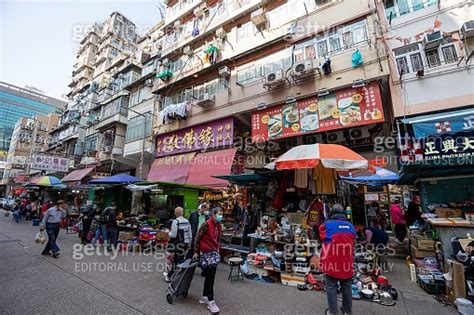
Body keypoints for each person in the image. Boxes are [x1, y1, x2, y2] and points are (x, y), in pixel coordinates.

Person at [319, 204, 356, 315]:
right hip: (347, 262)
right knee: (347, 287)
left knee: (331, 286)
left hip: (332, 262)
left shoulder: (326, 225)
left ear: (331, 212)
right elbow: (353, 238)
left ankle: (333, 312)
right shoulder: (350, 226)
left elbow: (321, 236)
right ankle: (347, 311)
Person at [193, 207, 223, 314]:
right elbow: (197, 238)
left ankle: (205, 297)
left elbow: (218, 239)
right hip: (206, 253)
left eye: (221, 214)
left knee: (210, 276)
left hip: (214, 253)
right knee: (210, 277)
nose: (221, 216)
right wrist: (196, 252)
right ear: (213, 215)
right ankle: (211, 301)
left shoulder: (218, 226)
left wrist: (218, 250)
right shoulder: (206, 224)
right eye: (219, 214)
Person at [164, 207, 192, 282]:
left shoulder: (176, 222)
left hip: (178, 245)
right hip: (185, 244)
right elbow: (190, 234)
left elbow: (173, 235)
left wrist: (167, 232)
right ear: (182, 213)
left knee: (179, 261)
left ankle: (179, 278)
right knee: (178, 260)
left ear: (175, 213)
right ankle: (170, 275)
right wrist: (189, 243)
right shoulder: (187, 221)